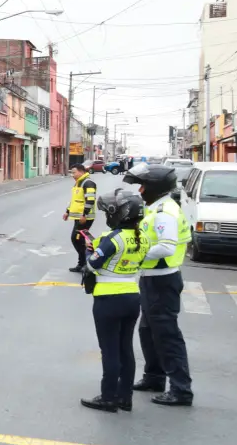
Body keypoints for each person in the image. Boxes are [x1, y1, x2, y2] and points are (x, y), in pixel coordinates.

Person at [124, 162, 193, 406]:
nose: (140, 191)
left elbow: (166, 246)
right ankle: (154, 377)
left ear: (154, 187)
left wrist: (135, 256)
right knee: (147, 331)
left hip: (163, 281)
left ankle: (181, 390)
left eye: (143, 186)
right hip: (152, 279)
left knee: (167, 335)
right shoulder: (157, 207)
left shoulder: (165, 212)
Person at [81, 189, 147, 413]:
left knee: (109, 351)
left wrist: (91, 252)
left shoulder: (113, 239)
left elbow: (92, 265)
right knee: (125, 349)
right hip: (132, 296)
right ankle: (124, 397)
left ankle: (108, 397)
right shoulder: (143, 238)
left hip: (109, 299)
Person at [64, 163, 98, 273]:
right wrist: (67, 211)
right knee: (79, 239)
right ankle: (82, 264)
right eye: (71, 173)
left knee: (77, 239)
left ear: (81, 171)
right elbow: (75, 200)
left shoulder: (88, 183)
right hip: (78, 217)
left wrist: (85, 214)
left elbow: (90, 200)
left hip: (85, 218)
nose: (72, 175)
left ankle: (86, 262)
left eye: (74, 172)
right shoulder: (78, 183)